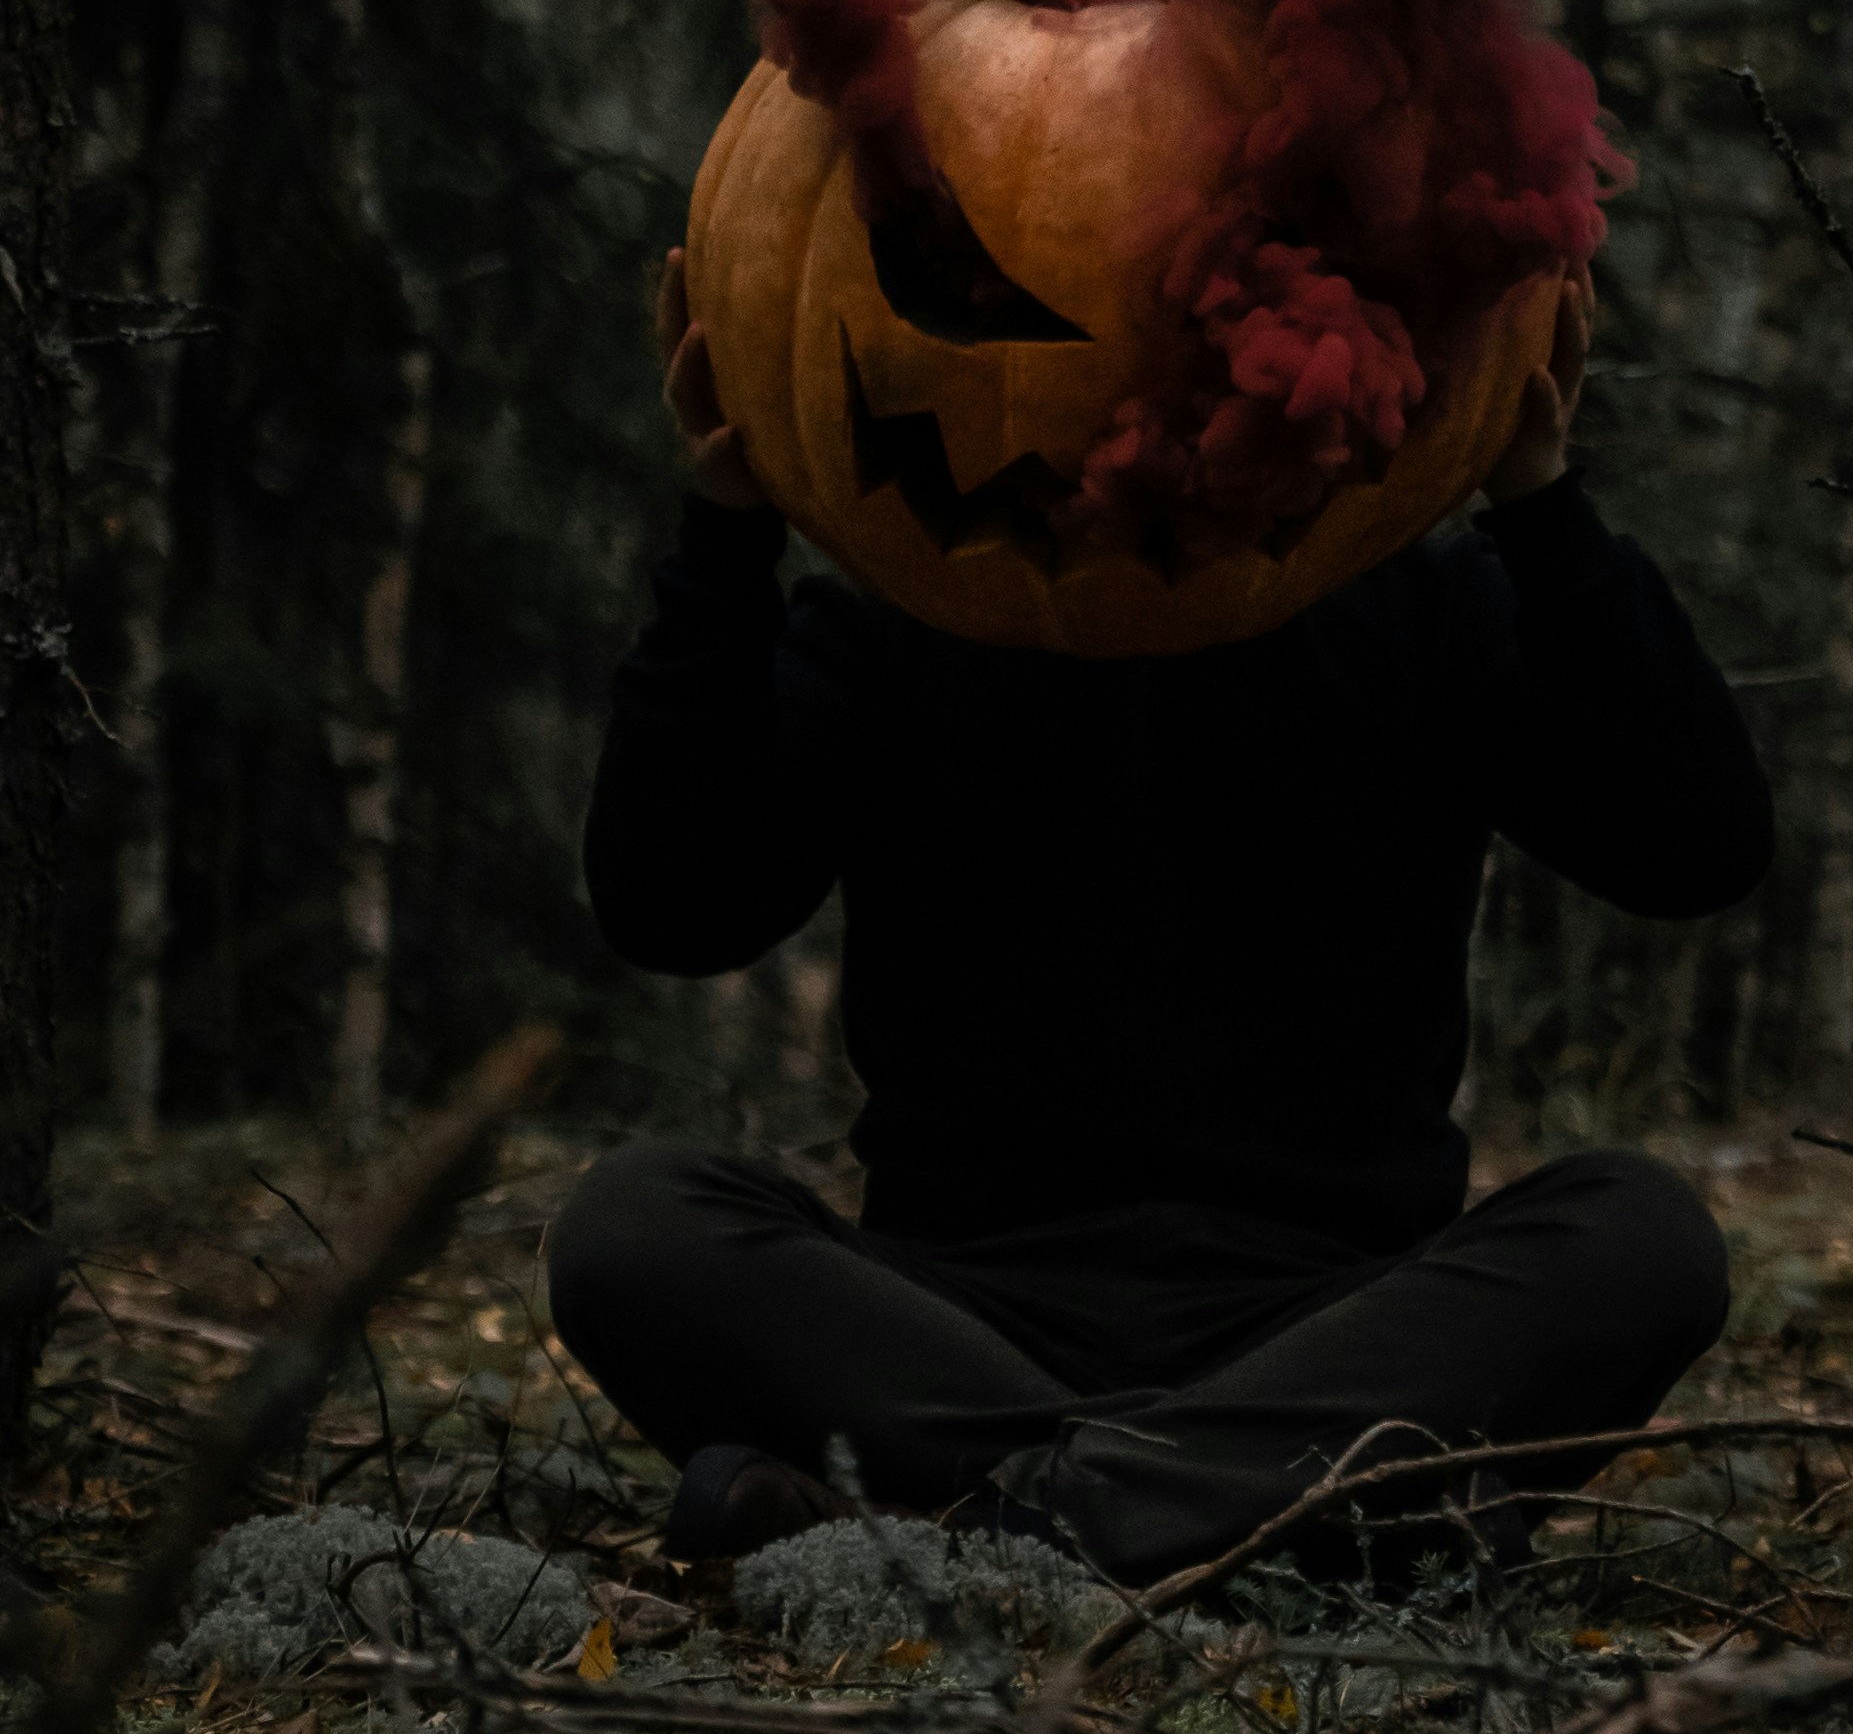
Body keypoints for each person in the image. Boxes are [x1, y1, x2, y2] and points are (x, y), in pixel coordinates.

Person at [547, 271, 1772, 1586]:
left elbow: (1693, 849)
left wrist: (1538, 500)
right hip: (959, 1316)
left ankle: (998, 1527)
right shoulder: (920, 602)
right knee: (634, 1226)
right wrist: (730, 529)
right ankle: (1289, 1520)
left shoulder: (1421, 600)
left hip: (1333, 1322)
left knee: (1643, 1237)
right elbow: (674, 907)